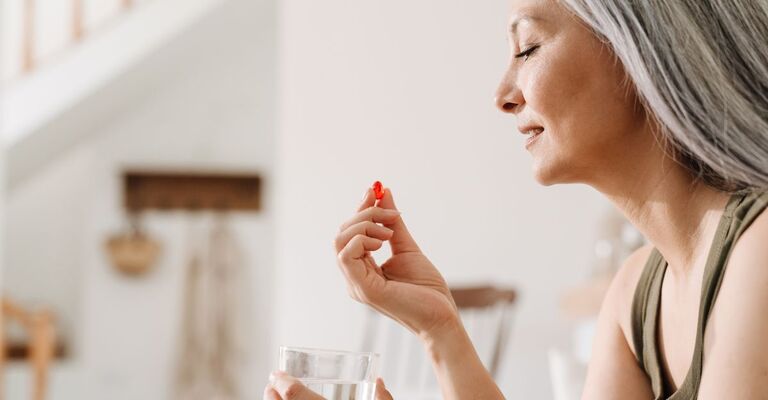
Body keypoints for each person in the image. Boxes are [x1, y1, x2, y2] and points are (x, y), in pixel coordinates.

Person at [264, 0, 768, 398]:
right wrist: (439, 329)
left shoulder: (758, 252)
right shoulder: (635, 294)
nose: (502, 94)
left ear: (640, 44)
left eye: (526, 48)